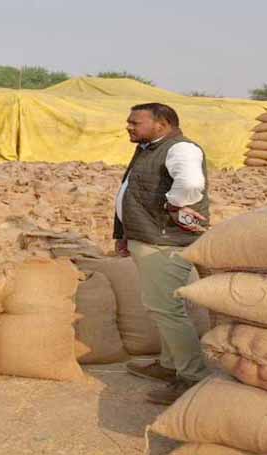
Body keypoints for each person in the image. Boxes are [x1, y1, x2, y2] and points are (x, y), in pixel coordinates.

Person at [114, 103, 210, 405]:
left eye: (135, 122)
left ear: (162, 123)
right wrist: (124, 233)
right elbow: (134, 192)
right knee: (162, 307)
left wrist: (172, 204)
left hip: (165, 243)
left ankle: (192, 377)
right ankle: (170, 366)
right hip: (150, 238)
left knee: (167, 310)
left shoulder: (180, 148)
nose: (129, 126)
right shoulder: (149, 148)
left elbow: (191, 184)